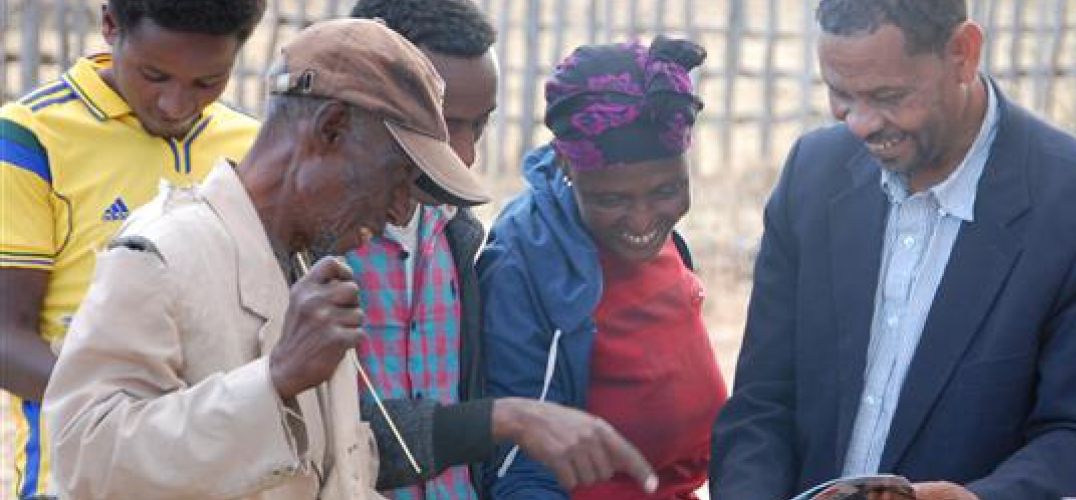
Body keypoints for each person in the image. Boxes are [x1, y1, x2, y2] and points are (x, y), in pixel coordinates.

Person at [42, 18, 654, 499]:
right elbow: (81, 458)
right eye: (394, 180)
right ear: (330, 129)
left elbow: (341, 470)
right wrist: (274, 378)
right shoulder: (161, 253)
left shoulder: (308, 266)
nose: (397, 212)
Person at [710, 0, 1076, 498]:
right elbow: (761, 404)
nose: (858, 123)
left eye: (888, 96)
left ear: (963, 54)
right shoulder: (812, 175)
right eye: (839, 93)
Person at [0, 1, 264, 497]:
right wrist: (139, 420)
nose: (175, 103)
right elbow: (5, 336)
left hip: (219, 474)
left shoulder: (250, 147)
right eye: (154, 74)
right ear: (109, 25)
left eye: (207, 82)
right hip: (80, 475)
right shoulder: (31, 136)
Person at [479, 37, 726, 499]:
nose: (642, 220)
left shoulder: (663, 242)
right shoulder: (528, 267)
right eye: (611, 199)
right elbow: (519, 468)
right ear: (564, 166)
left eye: (666, 190)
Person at [344, 0, 502, 496]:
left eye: (478, 125)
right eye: (443, 123)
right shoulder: (316, 245)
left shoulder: (455, 231)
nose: (466, 153)